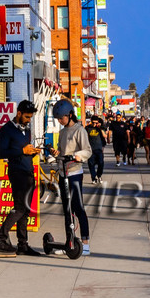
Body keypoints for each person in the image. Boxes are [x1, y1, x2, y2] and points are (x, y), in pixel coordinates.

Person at [0, 100, 42, 257]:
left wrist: (32, 151)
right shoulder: (7, 130)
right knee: (20, 207)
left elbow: (24, 151)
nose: (29, 120)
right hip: (17, 173)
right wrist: (22, 151)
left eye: (30, 117)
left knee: (26, 210)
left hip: (28, 172)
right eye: (26, 117)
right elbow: (2, 153)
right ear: (18, 113)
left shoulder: (25, 131)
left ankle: (23, 244)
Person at [54, 101, 93, 256]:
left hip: (75, 174)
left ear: (70, 115)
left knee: (78, 208)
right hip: (63, 173)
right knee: (67, 209)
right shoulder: (63, 132)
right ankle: (70, 243)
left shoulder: (79, 131)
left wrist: (78, 156)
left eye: (61, 118)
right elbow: (60, 150)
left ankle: (85, 244)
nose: (60, 121)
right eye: (58, 119)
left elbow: (87, 150)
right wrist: (56, 154)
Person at [84, 115, 107, 183]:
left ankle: (99, 175)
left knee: (101, 163)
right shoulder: (87, 128)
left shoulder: (100, 128)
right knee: (91, 164)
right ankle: (93, 178)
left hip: (99, 149)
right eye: (93, 122)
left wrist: (100, 128)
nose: (94, 124)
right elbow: (85, 138)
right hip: (90, 149)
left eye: (96, 123)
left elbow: (105, 136)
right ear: (91, 121)